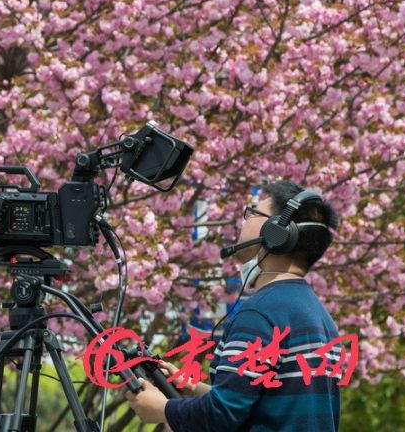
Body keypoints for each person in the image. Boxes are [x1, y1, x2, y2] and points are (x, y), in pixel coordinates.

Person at [126, 180, 344, 431]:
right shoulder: (320, 316)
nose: (245, 219)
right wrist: (194, 388)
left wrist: (162, 409)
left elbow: (223, 414)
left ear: (277, 232)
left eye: (253, 212)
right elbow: (256, 404)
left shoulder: (261, 313)